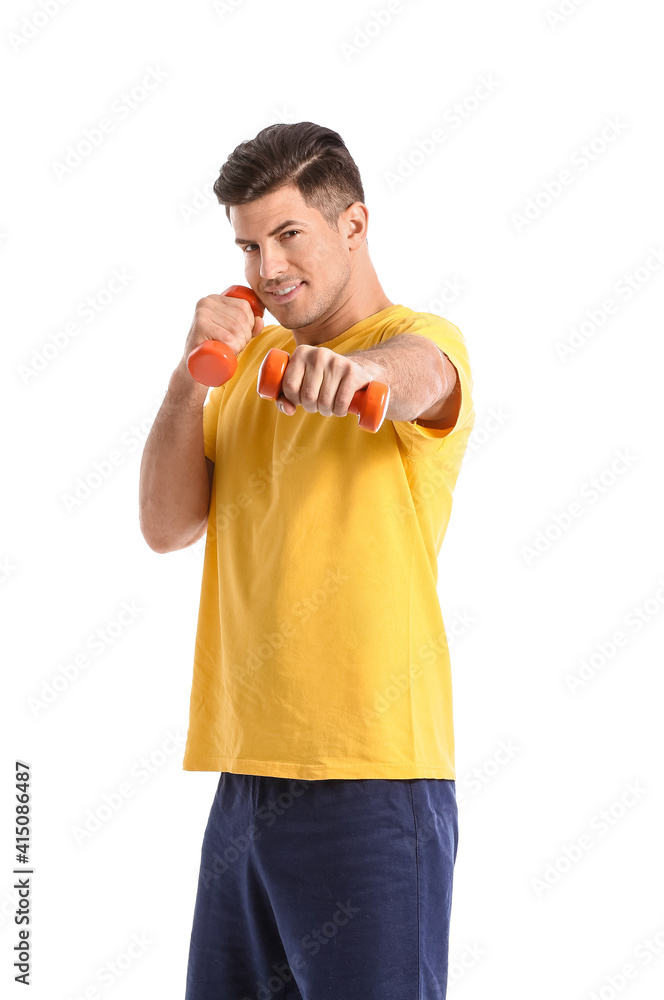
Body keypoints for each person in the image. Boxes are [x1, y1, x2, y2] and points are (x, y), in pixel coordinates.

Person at [139, 121, 475, 1000]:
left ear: (353, 225)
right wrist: (189, 379)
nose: (267, 267)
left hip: (370, 780)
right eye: (249, 245)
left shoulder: (421, 337)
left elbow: (422, 376)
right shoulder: (246, 365)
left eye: (288, 234)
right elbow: (166, 526)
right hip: (245, 781)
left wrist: (356, 376)